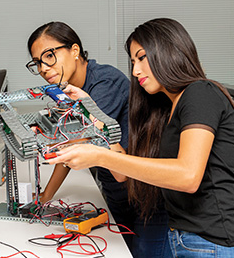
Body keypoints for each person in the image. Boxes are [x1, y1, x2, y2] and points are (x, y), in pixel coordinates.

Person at [49, 18, 234, 257]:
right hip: (184, 238)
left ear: (168, 51)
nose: (135, 71)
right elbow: (122, 173)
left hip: (211, 243)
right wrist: (89, 110)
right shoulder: (165, 108)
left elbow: (188, 176)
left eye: (142, 57)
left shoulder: (200, 93)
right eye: (133, 62)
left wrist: (98, 156)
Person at [26, 21, 170, 257]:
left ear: (74, 51)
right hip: (117, 192)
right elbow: (71, 143)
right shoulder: (68, 90)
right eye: (37, 62)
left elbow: (77, 139)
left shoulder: (104, 83)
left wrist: (43, 133)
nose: (43, 68)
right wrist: (45, 197)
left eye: (49, 56)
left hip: (146, 199)